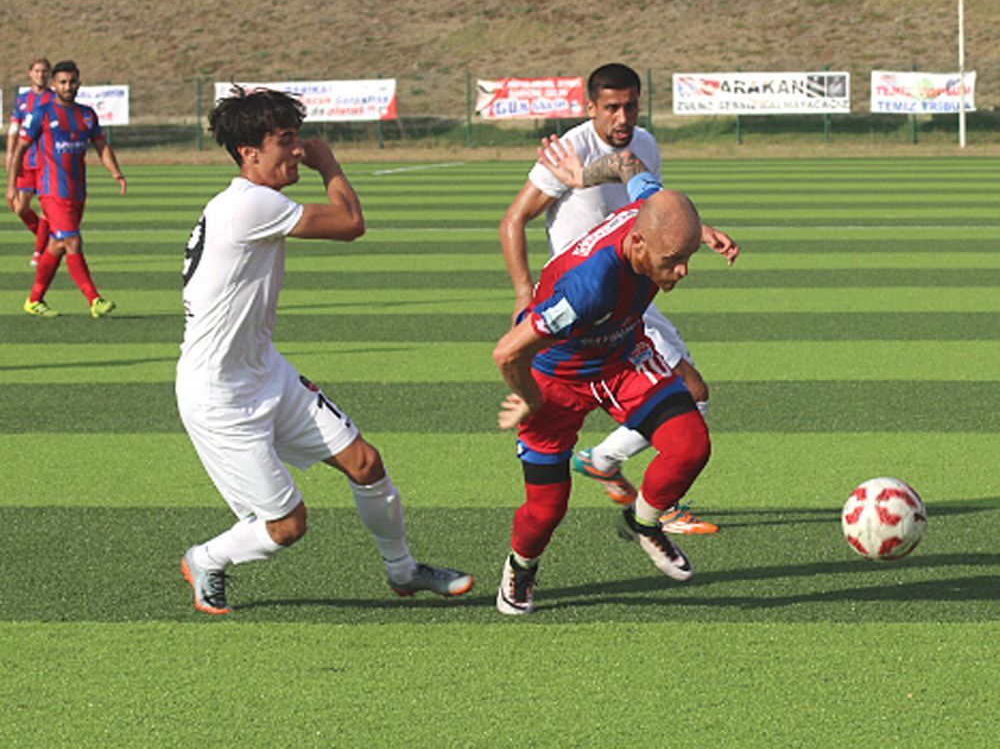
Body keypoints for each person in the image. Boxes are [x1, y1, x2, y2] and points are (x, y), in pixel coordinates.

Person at [177, 87, 473, 615]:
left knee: (366, 463)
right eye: (286, 141)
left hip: (265, 372)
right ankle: (206, 558)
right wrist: (329, 162)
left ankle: (403, 570)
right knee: (286, 527)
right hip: (219, 396)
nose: (298, 150)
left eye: (298, 140)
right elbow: (351, 223)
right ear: (249, 152)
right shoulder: (249, 203)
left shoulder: (246, 203)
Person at [498, 63, 739, 535]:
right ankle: (622, 476)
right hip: (587, 306)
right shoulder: (570, 150)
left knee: (692, 396)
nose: (622, 116)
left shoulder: (644, 145)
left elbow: (652, 211)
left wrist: (697, 233)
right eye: (611, 107)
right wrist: (524, 295)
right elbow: (512, 221)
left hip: (635, 295)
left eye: (630, 104)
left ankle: (615, 467)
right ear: (591, 108)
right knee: (691, 394)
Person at [494, 140, 711, 615]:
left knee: (691, 444)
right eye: (673, 259)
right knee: (546, 511)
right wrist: (529, 399)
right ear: (637, 244)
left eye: (687, 255)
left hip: (622, 357)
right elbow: (508, 352)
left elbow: (627, 163)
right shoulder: (588, 289)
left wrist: (580, 178)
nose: (683, 271)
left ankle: (645, 523)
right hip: (556, 378)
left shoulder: (647, 208)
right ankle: (521, 566)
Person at [6, 60, 125, 318]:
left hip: (77, 190)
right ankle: (95, 300)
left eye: (72, 82)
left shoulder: (86, 114)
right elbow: (20, 150)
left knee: (58, 245)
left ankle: (34, 300)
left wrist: (116, 172)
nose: (67, 86)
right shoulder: (43, 114)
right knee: (72, 240)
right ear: (54, 84)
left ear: (79, 84)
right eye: (62, 82)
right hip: (51, 190)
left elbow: (101, 146)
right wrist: (11, 185)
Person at [5, 57, 54, 266]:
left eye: (44, 71)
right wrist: (10, 154)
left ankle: (39, 250)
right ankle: (48, 239)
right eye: (37, 71)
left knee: (46, 209)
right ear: (30, 73)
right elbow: (14, 129)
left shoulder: (55, 98)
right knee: (20, 208)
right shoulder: (22, 99)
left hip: (47, 162)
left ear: (49, 74)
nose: (41, 75)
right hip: (26, 161)